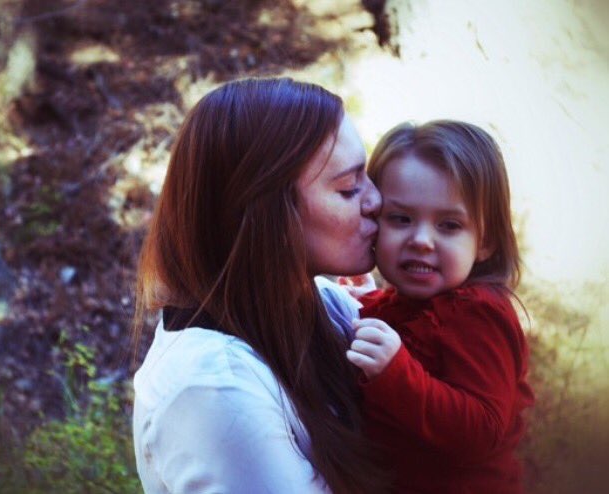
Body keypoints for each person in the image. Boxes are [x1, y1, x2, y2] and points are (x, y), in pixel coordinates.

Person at [132, 77, 387, 493]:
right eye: (348, 188)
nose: (376, 200)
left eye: (368, 176)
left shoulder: (321, 300)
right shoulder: (213, 389)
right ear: (268, 213)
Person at [344, 120, 535, 493]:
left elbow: (482, 431)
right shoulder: (413, 302)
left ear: (486, 242)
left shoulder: (479, 313)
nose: (421, 240)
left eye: (448, 225)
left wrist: (395, 373)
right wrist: (362, 300)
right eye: (401, 219)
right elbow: (411, 325)